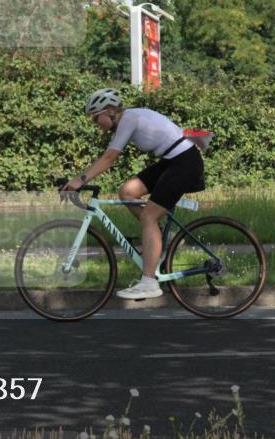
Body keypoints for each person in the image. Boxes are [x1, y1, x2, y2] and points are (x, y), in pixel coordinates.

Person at [60, 88, 205, 299]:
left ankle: (149, 283)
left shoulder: (129, 118)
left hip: (184, 163)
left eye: (95, 117)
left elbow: (109, 158)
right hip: (172, 161)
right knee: (127, 191)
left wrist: (79, 180)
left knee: (148, 217)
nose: (95, 123)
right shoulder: (126, 120)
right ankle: (162, 238)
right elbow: (109, 157)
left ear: (109, 111)